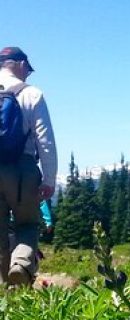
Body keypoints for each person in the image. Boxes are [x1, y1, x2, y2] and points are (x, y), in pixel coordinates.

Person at [0, 46, 57, 286]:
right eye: (28, 69)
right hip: (22, 169)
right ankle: (22, 265)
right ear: (20, 63)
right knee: (27, 225)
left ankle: (6, 290)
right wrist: (49, 180)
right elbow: (45, 141)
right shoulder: (31, 93)